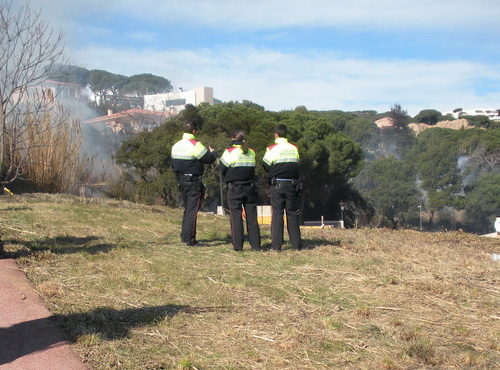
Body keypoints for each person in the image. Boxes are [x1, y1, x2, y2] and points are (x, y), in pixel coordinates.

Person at [171, 120, 217, 246]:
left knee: (187, 210)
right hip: (193, 182)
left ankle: (184, 236)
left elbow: (173, 164)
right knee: (192, 211)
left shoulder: (176, 145)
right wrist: (213, 152)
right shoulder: (195, 144)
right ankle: (190, 239)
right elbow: (208, 159)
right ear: (194, 131)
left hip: (181, 180)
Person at [262, 124, 303, 251]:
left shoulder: (272, 149)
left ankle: (276, 246)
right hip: (292, 184)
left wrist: (274, 171)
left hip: (278, 184)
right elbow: (296, 164)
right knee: (292, 214)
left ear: (276, 135)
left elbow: (265, 164)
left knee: (277, 214)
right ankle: (296, 245)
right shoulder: (294, 148)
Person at [220, 130, 261, 251]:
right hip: (250, 188)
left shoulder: (229, 152)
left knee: (236, 217)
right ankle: (256, 246)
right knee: (252, 218)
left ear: (233, 138)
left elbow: (222, 169)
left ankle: (238, 246)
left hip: (235, 188)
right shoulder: (251, 151)